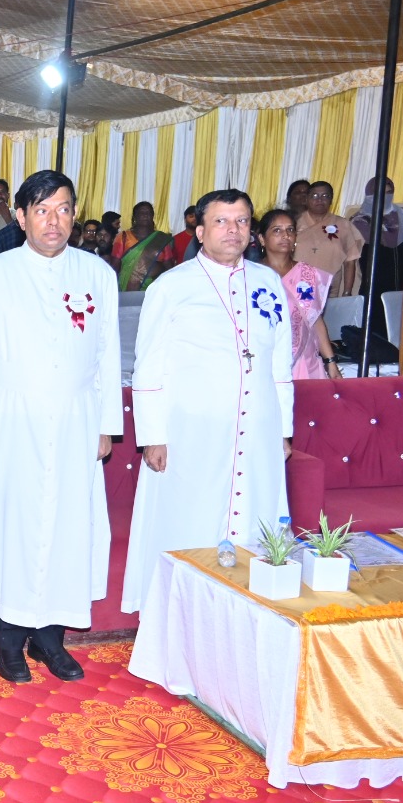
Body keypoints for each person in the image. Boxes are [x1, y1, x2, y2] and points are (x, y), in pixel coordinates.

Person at [0, 170, 121, 683]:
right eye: (42, 210)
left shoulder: (97, 275)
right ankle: (7, 640)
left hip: (76, 421)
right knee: (11, 524)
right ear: (21, 217)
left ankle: (51, 640)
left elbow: (108, 353)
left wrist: (106, 424)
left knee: (66, 525)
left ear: (75, 215)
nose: (54, 220)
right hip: (7, 421)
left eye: (63, 209)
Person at [122, 189, 293, 613]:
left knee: (254, 520)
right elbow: (148, 366)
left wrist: (284, 430)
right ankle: (178, 618)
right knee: (189, 524)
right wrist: (152, 436)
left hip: (258, 430)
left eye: (241, 221)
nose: (233, 230)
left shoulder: (269, 282)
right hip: (190, 435)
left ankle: (248, 616)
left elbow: (280, 365)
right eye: (221, 221)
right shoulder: (171, 286)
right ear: (199, 231)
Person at [260, 209, 342, 381]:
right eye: (277, 230)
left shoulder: (307, 274)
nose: (285, 236)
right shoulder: (252, 276)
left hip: (305, 360)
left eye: (290, 230)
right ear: (262, 239)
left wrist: (330, 361)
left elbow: (315, 319)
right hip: (266, 361)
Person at [349, 175, 403, 303]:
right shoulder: (359, 220)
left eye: (389, 192)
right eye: (380, 192)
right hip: (375, 282)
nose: (385, 197)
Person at [294, 181, 362, 296]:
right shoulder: (294, 222)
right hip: (297, 286)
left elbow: (350, 262)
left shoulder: (343, 225)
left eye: (325, 196)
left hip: (330, 289)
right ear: (306, 199)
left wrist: (347, 292)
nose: (320, 199)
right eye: (315, 195)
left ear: (331, 200)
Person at [114, 202, 173, 291]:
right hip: (128, 288)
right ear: (135, 216)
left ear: (152, 216)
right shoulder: (123, 237)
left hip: (154, 289)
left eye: (149, 212)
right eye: (142, 212)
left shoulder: (161, 238)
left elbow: (169, 266)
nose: (145, 215)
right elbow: (115, 265)